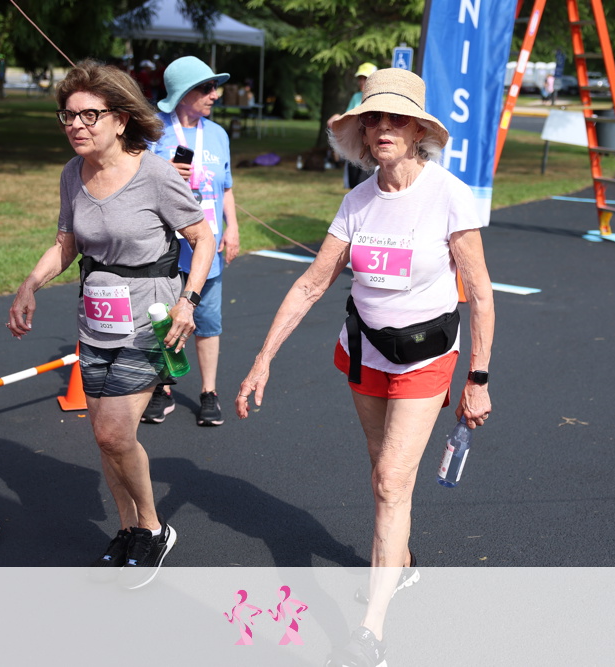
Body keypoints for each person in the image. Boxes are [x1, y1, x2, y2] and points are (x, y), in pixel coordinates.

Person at [235, 68, 494, 665]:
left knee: (390, 482)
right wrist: (262, 360)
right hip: (365, 353)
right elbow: (312, 284)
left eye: (395, 118)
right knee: (383, 472)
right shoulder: (356, 200)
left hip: (426, 358)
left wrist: (478, 378)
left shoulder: (449, 195)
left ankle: (370, 630)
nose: (382, 128)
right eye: (373, 118)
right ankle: (399, 562)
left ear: (418, 130)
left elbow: (480, 293)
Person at [6, 61, 214, 587]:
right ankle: (127, 528)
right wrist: (30, 284)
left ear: (120, 120)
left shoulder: (155, 174)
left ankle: (154, 528)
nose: (76, 125)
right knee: (105, 439)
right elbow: (65, 245)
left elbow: (203, 238)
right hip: (96, 320)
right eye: (68, 115)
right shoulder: (72, 174)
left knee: (115, 432)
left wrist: (188, 301)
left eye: (89, 115)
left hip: (150, 319)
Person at [142, 56, 240, 427]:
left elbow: (225, 187)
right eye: (206, 88)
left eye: (214, 87)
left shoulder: (218, 134)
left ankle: (208, 392)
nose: (215, 94)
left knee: (207, 321)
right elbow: (133, 183)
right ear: (183, 93)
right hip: (164, 247)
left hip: (206, 246)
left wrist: (233, 227)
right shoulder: (153, 130)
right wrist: (163, 171)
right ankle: (163, 387)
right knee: (163, 319)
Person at [328, 62, 378, 189]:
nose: (361, 82)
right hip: (355, 148)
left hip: (370, 151)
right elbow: (349, 119)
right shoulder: (356, 97)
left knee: (366, 186)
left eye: (365, 78)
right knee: (354, 186)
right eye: (360, 78)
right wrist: (337, 119)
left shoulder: (379, 99)